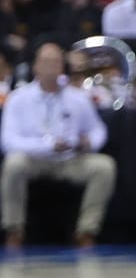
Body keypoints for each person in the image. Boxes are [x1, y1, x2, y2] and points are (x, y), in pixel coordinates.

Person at [1, 40, 116, 250]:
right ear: (35, 66)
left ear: (62, 66)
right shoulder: (18, 98)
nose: (50, 66)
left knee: (103, 166)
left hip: (70, 159)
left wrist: (88, 142)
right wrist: (48, 146)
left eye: (55, 61)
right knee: (13, 164)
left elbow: (98, 130)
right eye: (45, 61)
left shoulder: (78, 98)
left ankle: (86, 231)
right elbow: (8, 141)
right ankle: (14, 230)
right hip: (34, 159)